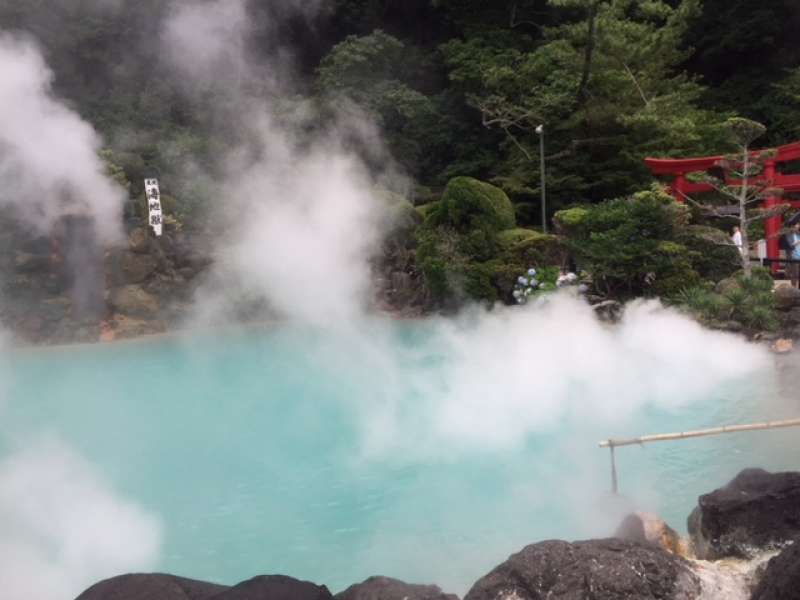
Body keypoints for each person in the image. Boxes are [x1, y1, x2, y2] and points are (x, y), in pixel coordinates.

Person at [788, 223, 800, 288]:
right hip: (794, 257)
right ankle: (793, 288)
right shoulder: (790, 235)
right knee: (795, 274)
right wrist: (797, 242)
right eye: (797, 226)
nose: (797, 228)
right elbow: (790, 245)